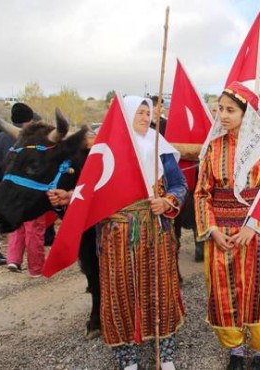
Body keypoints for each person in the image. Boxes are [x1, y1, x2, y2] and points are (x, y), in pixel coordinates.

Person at [194, 81, 260, 370]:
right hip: (220, 232)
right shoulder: (212, 147)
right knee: (223, 292)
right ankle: (234, 350)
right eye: (220, 109)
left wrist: (255, 225)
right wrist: (211, 229)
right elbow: (201, 192)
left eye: (230, 110)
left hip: (257, 232)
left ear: (246, 113)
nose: (222, 115)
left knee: (258, 290)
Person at [97, 96, 187, 370]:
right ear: (124, 115)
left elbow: (179, 184)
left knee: (161, 288)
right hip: (117, 232)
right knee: (120, 293)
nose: (146, 117)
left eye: (149, 112)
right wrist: (68, 196)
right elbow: (92, 189)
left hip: (153, 227)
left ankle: (166, 354)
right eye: (140, 111)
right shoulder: (109, 149)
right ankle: (128, 359)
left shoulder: (159, 146)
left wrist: (167, 201)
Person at [0, 103, 47, 276]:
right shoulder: (35, 138)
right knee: (34, 228)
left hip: (8, 188)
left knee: (15, 226)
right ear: (30, 119)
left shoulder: (0, 138)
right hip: (30, 190)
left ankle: (13, 260)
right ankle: (36, 267)